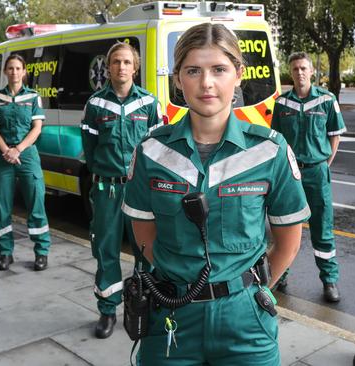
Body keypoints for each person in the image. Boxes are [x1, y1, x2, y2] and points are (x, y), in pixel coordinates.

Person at [122, 23, 310, 364]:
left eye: (219, 70)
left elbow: (289, 241)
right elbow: (144, 235)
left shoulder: (270, 150)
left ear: (238, 75)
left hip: (245, 320)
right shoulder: (150, 151)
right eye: (193, 70)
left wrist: (254, 289)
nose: (206, 83)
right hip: (171, 314)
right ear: (177, 79)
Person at [81, 42, 162, 339]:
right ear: (108, 67)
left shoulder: (150, 104)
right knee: (106, 249)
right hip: (107, 190)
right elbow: (89, 150)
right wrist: (103, 173)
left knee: (146, 250)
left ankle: (143, 306)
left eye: (127, 62)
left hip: (140, 191)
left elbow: (158, 149)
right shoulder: (95, 105)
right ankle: (107, 311)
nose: (121, 67)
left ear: (135, 67)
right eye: (116, 62)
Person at [271, 52, 346, 302]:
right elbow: (278, 140)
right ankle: (281, 275)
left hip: (316, 170)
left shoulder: (326, 100)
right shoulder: (282, 103)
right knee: (285, 224)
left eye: (303, 68)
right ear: (290, 73)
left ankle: (329, 280)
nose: (299, 73)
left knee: (322, 227)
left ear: (312, 71)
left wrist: (324, 163)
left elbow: (334, 135)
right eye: (295, 69)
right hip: (290, 172)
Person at [0, 54, 51, 272]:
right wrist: (7, 151)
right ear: (6, 72)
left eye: (18, 68)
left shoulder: (33, 97)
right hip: (4, 157)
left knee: (36, 204)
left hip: (27, 156)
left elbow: (37, 128)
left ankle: (41, 253)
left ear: (24, 72)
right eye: (10, 68)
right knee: (2, 205)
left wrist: (18, 150)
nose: (14, 72)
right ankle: (5, 254)